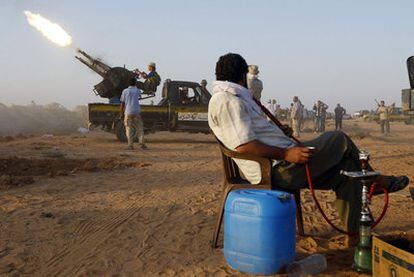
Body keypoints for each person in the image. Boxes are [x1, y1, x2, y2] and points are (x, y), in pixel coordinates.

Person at [208, 53, 408, 243]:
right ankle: (374, 180)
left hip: (282, 162)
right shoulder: (227, 100)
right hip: (276, 169)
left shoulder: (236, 98)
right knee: (338, 139)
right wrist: (286, 152)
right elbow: (244, 145)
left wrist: (278, 132)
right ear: (243, 76)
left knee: (347, 172)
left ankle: (354, 236)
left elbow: (252, 134)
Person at [120, 77, 146, 150]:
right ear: (135, 83)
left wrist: (121, 113)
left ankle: (130, 145)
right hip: (136, 111)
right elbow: (139, 97)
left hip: (128, 112)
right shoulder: (137, 90)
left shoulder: (125, 91)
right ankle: (141, 144)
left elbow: (122, 103)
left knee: (128, 129)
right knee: (140, 128)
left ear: (128, 83)